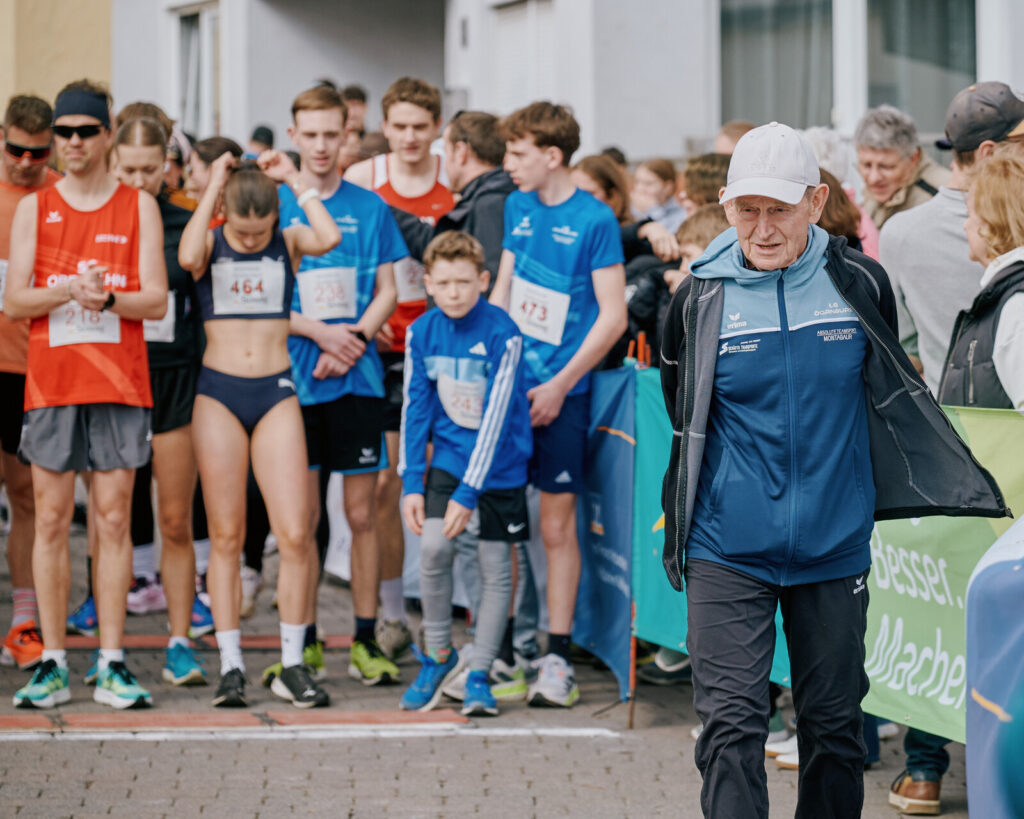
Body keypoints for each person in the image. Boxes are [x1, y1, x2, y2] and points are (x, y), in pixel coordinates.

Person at [659, 121, 1007, 818]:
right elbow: (683, 408)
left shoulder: (858, 281)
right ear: (726, 206)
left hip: (832, 546)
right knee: (731, 730)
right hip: (726, 547)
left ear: (817, 203)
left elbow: (885, 390)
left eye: (779, 209)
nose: (762, 229)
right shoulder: (697, 297)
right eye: (747, 210)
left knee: (835, 729)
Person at [5, 80, 169, 709]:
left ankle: (111, 662)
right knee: (50, 519)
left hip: (120, 383)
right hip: (53, 383)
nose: (72, 143)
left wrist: (109, 298)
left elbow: (156, 300)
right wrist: (69, 290)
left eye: (84, 132)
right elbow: (15, 301)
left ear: (107, 135)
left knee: (113, 520)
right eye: (63, 133)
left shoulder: (138, 206)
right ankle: (52, 662)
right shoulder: (35, 208)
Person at [177, 150, 340, 708]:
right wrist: (213, 187)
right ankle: (230, 665)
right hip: (219, 393)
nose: (249, 241)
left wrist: (294, 179)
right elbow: (187, 255)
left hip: (275, 391)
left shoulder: (288, 240)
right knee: (225, 535)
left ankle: (292, 664)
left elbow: (330, 236)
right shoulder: (210, 241)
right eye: (241, 232)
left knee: (294, 533)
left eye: (259, 231)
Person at [261, 84, 403, 689]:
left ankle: (366, 639)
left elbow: (389, 291)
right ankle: (307, 642)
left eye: (331, 134)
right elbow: (259, 293)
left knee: (362, 513)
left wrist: (355, 340)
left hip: (358, 377)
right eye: (310, 135)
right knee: (303, 518)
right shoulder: (273, 204)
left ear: (347, 135)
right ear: (293, 135)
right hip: (293, 382)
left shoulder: (371, 207)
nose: (321, 146)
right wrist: (322, 334)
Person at [491, 101, 627, 707]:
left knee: (554, 527)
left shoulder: (594, 219)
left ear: (552, 155)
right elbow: (504, 290)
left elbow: (613, 317)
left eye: (517, 153)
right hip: (509, 390)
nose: (507, 163)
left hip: (562, 395)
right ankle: (503, 651)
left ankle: (558, 657)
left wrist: (560, 385)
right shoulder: (516, 206)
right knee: (501, 523)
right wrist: (494, 371)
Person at [345, 76, 455, 660]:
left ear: (436, 127)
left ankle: (447, 612)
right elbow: (349, 253)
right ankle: (391, 615)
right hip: (387, 347)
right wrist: (368, 314)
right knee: (388, 482)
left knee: (445, 479)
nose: (410, 137)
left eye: (420, 126)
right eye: (400, 126)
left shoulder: (452, 180)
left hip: (444, 347)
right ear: (384, 128)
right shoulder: (365, 178)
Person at [398, 230, 531, 717]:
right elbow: (415, 408)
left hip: (501, 465)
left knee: (495, 568)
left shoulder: (504, 333)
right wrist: (412, 481)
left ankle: (480, 672)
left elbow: (496, 418)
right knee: (433, 548)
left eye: (463, 282)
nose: (453, 293)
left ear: (483, 281)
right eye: (443, 283)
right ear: (428, 284)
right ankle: (439, 655)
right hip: (451, 460)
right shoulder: (421, 332)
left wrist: (471, 491)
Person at [112, 114, 209, 685]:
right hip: (114, 378)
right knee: (113, 519)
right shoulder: (99, 219)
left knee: (175, 518)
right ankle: (111, 651)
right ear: (112, 163)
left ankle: (179, 642)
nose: (139, 181)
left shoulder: (184, 221)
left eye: (150, 170)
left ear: (166, 166)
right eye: (128, 170)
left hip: (175, 378)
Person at [881, 80, 1024, 396]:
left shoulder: (898, 233)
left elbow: (905, 348)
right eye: (1022, 144)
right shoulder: (1013, 222)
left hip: (947, 418)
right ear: (988, 153)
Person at [0, 94, 59, 673]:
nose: (24, 162)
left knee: (26, 497)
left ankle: (23, 624)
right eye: (15, 149)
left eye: (37, 154)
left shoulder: (61, 195)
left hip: (34, 368)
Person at [390, 110, 515, 284]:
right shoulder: (492, 194)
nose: (445, 164)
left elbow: (488, 278)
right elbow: (437, 245)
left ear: (461, 152)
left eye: (446, 153)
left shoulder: (489, 203)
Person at [854, 105, 950, 229]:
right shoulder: (881, 191)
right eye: (866, 165)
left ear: (913, 158)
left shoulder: (943, 195)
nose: (873, 178)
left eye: (886, 167)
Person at [631, 158, 686, 233]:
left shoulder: (681, 215)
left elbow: (667, 234)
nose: (639, 188)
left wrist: (652, 209)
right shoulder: (629, 210)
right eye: (637, 182)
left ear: (668, 187)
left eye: (648, 183)